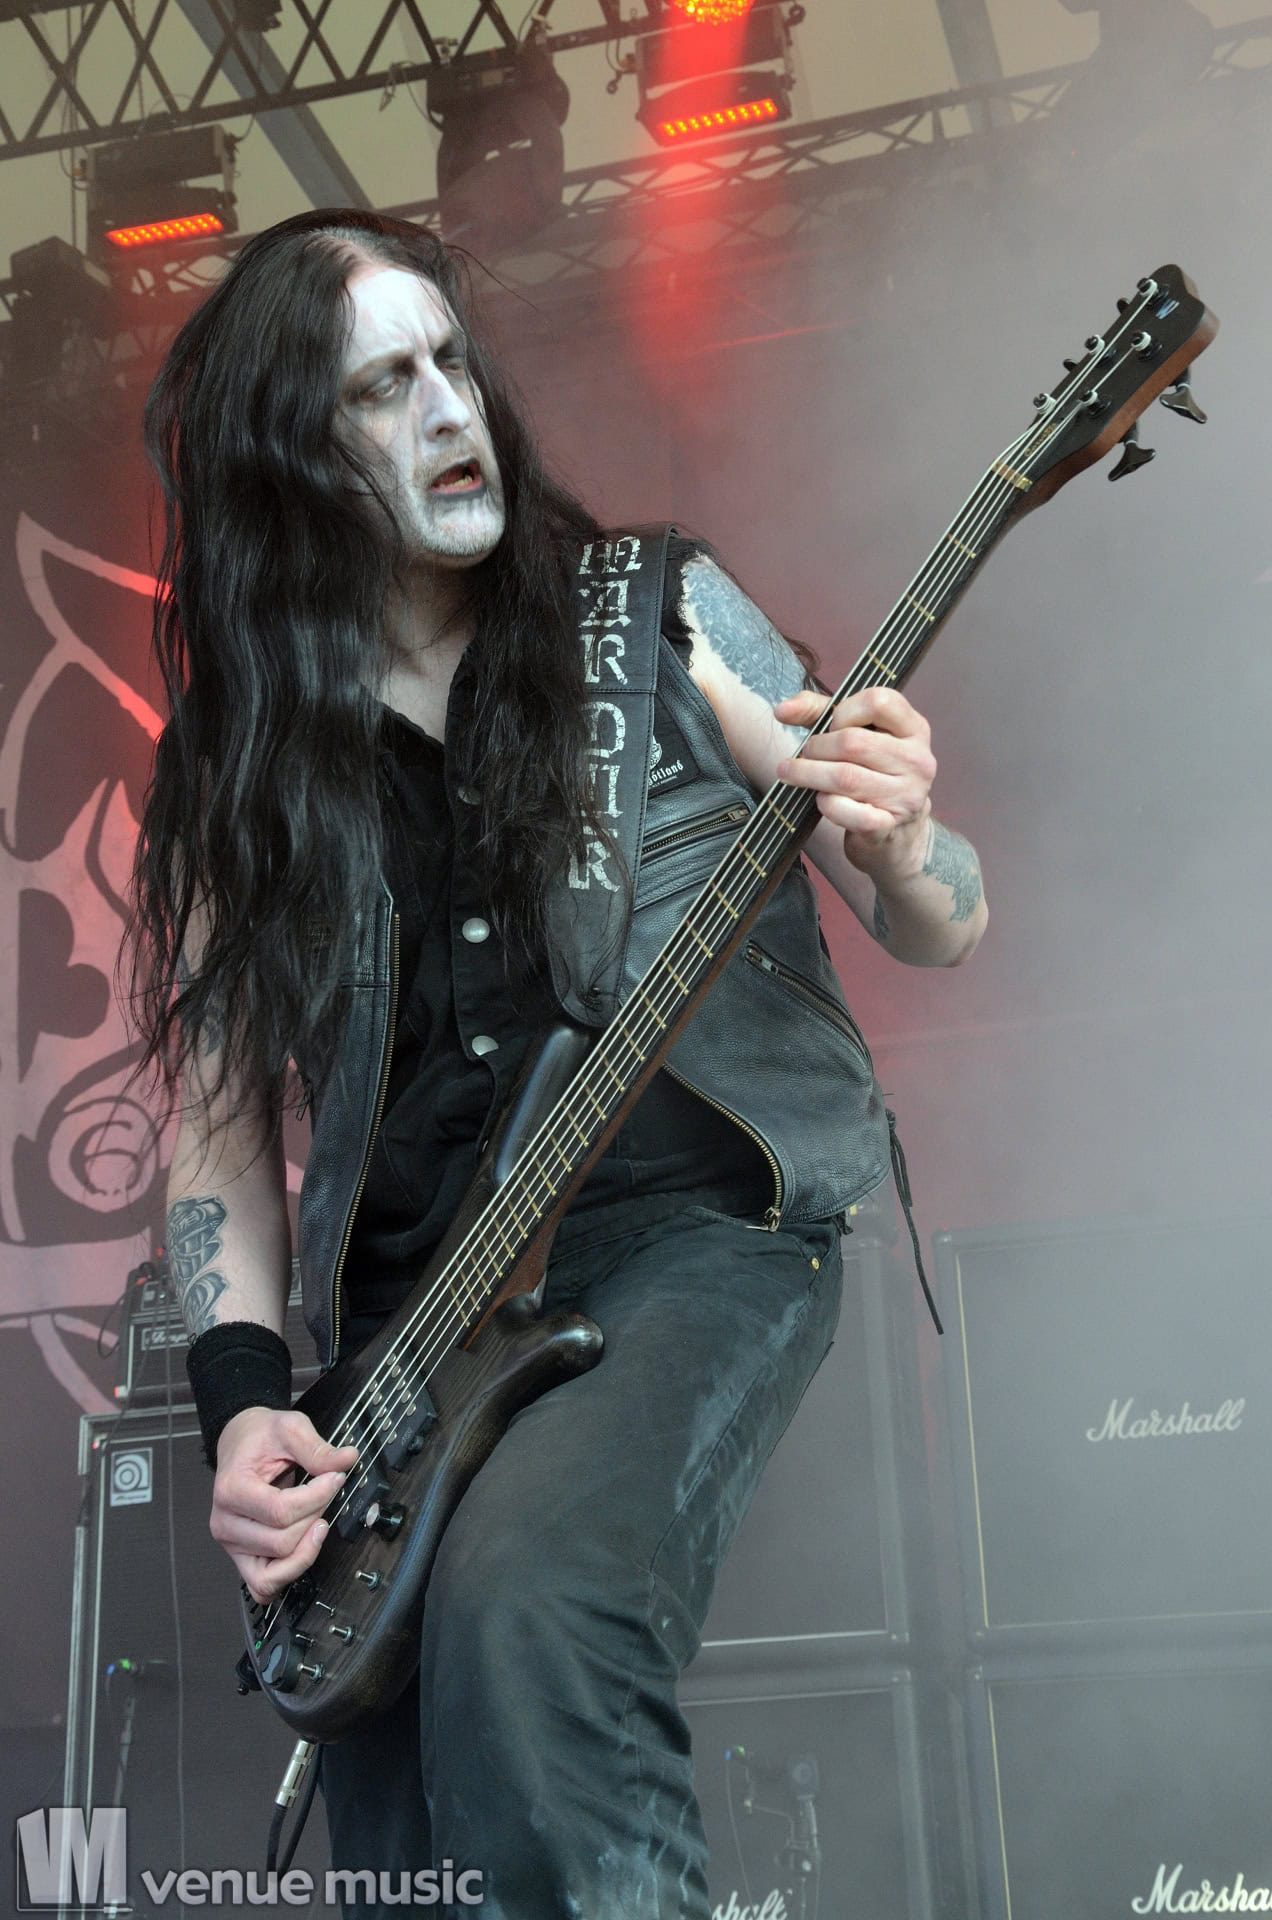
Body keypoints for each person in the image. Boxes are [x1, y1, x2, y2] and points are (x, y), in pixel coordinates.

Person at [122, 207, 987, 1918]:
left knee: (529, 1612)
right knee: (399, 1819)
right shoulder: (238, 769)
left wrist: (903, 845)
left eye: (452, 360)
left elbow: (939, 919)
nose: (451, 410)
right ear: (287, 458)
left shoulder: (650, 615)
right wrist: (243, 1410)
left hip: (687, 1238)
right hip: (412, 1331)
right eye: (382, 387)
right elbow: (215, 1140)